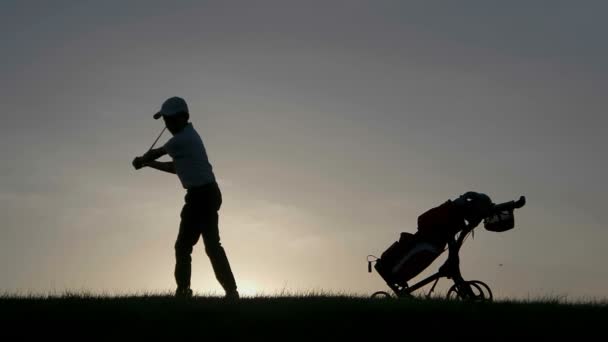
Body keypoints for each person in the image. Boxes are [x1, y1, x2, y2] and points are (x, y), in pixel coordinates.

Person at [132, 96, 239, 299]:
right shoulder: (187, 138)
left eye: (170, 119)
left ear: (182, 118)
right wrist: (148, 164)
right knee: (209, 245)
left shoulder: (182, 139)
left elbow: (159, 152)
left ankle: (185, 292)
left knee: (186, 246)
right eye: (166, 120)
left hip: (202, 196)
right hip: (205, 194)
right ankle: (230, 292)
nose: (168, 124)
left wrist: (142, 160)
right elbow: (174, 167)